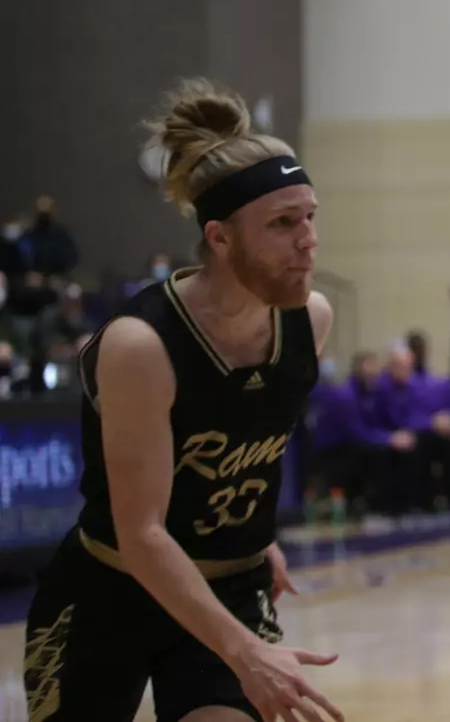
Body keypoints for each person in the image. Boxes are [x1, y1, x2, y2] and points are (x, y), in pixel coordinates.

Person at [23, 79, 342, 722]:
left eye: (310, 216)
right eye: (283, 223)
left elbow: (250, 443)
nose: (308, 238)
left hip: (231, 585)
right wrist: (246, 653)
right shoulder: (142, 345)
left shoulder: (310, 319)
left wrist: (252, 536)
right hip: (111, 593)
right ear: (220, 238)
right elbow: (142, 533)